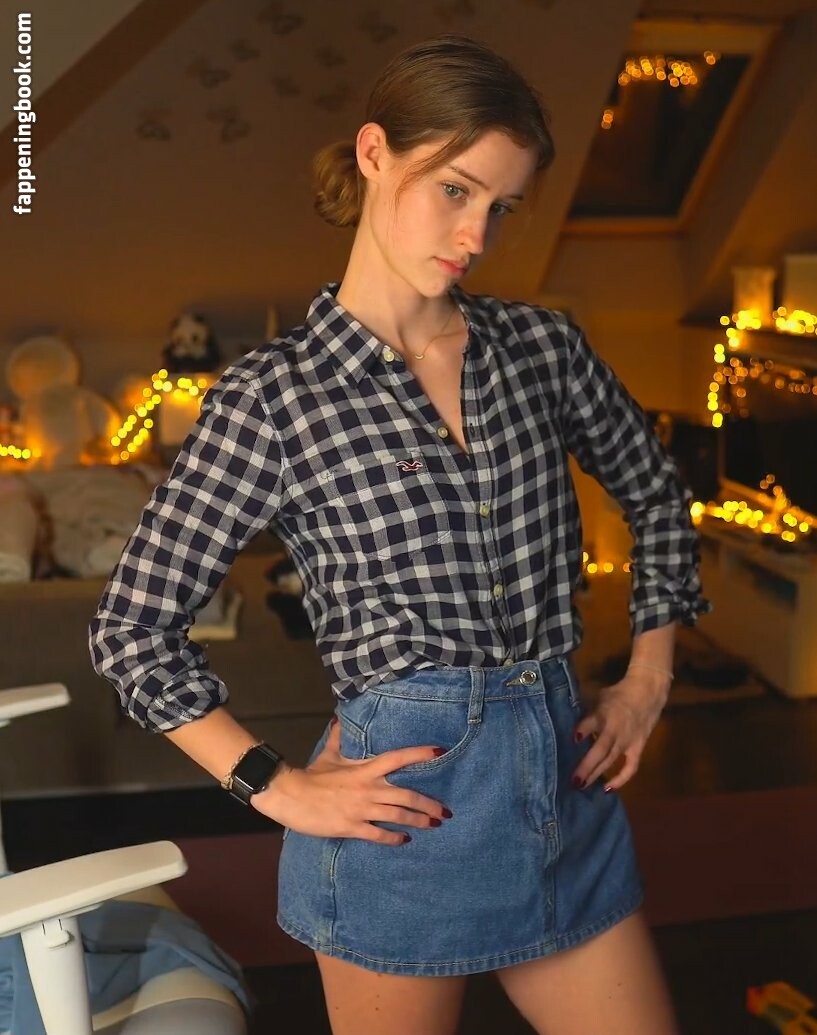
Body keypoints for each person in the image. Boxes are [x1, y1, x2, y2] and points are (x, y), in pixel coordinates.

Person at [90, 33, 710, 1035]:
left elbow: (655, 493)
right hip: (402, 820)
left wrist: (647, 679)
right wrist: (275, 786)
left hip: (565, 794)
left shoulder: (540, 349)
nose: (475, 234)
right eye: (455, 190)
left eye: (500, 206)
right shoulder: (274, 399)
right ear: (374, 153)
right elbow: (131, 629)